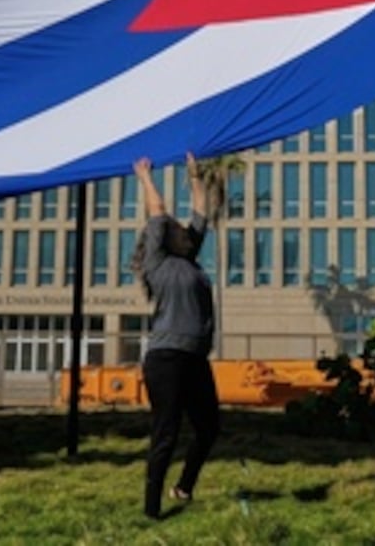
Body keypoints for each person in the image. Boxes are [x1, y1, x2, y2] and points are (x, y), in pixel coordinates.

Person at [133, 153, 219, 520]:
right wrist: (145, 177)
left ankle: (183, 487)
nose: (186, 230)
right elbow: (157, 210)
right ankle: (152, 510)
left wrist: (195, 174)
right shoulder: (157, 261)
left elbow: (200, 209)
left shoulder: (191, 257)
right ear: (165, 238)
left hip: (195, 359)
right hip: (166, 358)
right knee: (166, 433)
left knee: (209, 427)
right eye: (177, 229)